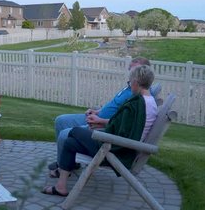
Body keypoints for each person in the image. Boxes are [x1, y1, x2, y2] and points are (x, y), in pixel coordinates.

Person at [42, 65, 158, 197]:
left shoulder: (137, 105)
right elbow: (123, 125)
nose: (130, 85)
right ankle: (60, 187)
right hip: (120, 144)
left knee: (74, 131)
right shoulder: (149, 102)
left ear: (136, 83)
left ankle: (61, 177)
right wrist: (100, 122)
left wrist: (99, 126)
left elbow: (123, 130)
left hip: (116, 149)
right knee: (70, 142)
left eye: (130, 82)